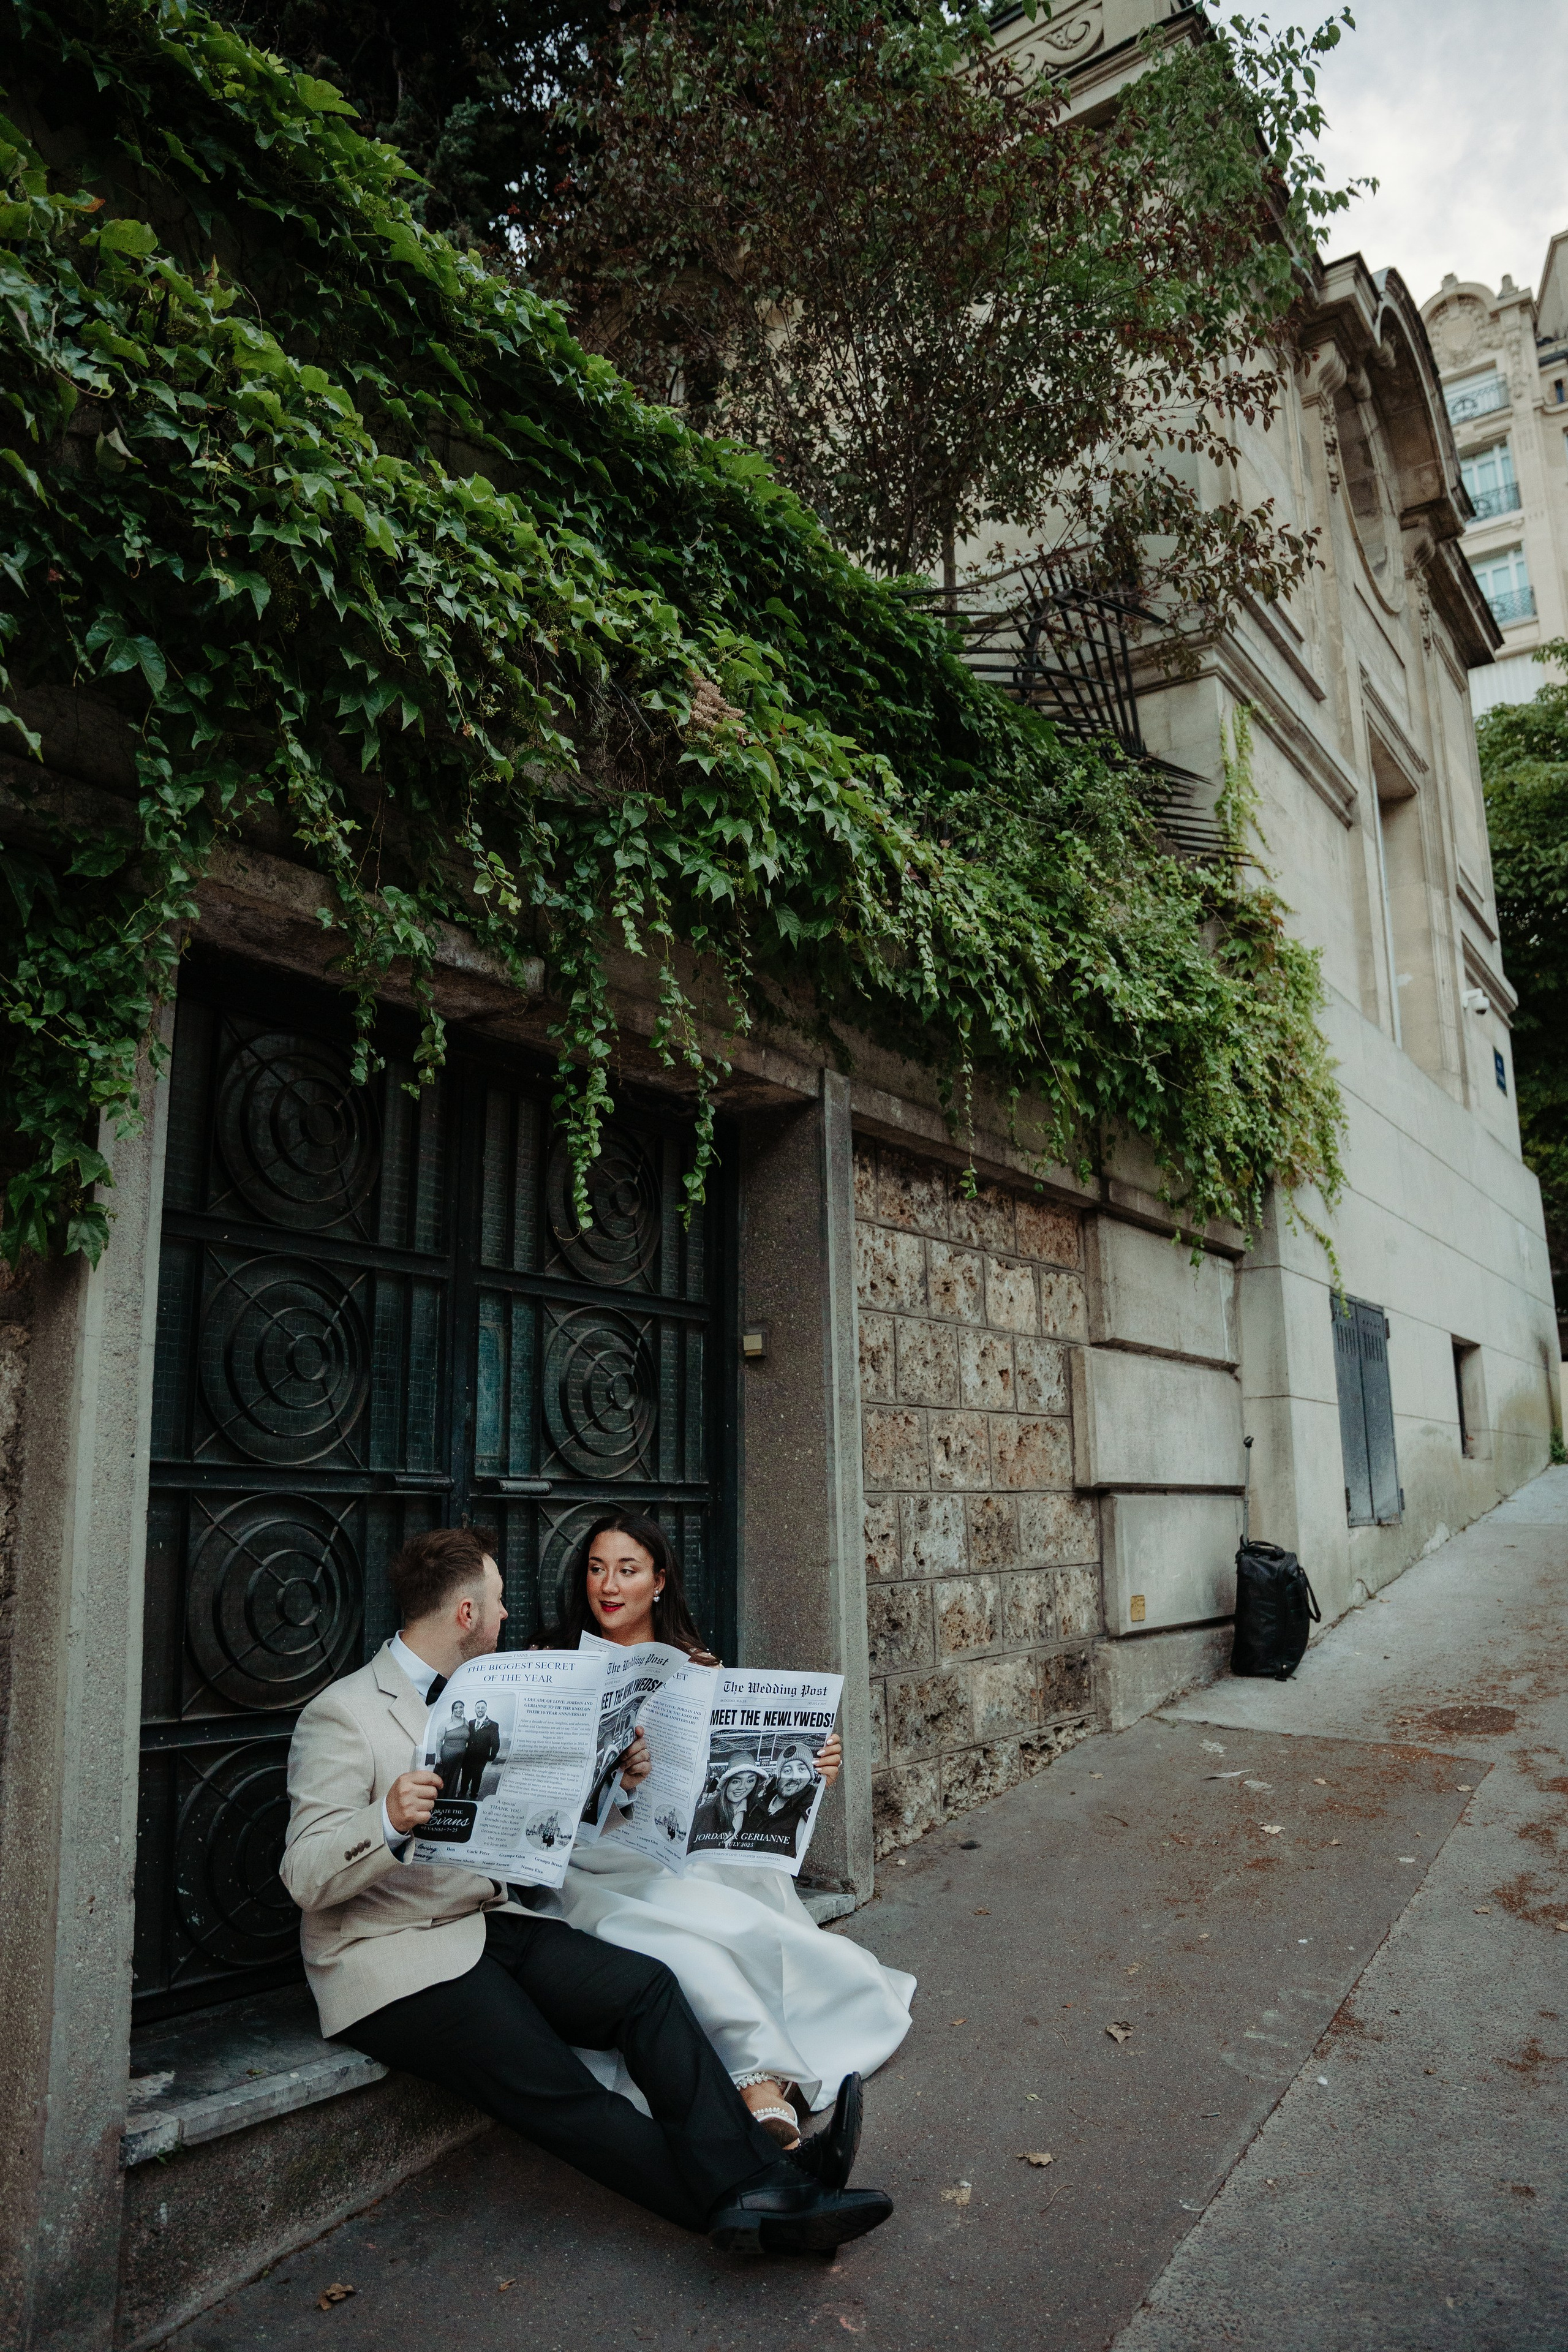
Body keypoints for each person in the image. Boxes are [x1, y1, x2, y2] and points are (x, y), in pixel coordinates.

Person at [281, 1524, 891, 2253]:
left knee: (648, 1989)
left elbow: (539, 1816)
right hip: (390, 1958)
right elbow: (305, 1875)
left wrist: (613, 1777)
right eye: (499, 1602)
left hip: (487, 1919)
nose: (510, 1615)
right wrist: (384, 1820)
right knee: (562, 2092)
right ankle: (762, 2201)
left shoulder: (492, 1688)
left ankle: (765, 2182)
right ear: (466, 1615)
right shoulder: (343, 1712)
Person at [540, 1512, 915, 2150]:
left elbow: (738, 1786)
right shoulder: (553, 1662)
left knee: (732, 1890)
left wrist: (812, 1768)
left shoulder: (700, 1668)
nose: (608, 1585)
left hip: (683, 1846)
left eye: (627, 1571)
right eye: (597, 1570)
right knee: (680, 1941)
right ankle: (760, 2085)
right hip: (593, 1856)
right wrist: (614, 1784)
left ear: (658, 1581)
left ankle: (768, 2074)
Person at [744, 1751, 820, 1856]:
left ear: (810, 1778)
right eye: (788, 1770)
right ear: (778, 1777)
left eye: (802, 1769)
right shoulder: (757, 1805)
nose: (794, 1777)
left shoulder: (808, 1812)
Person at [692, 1762, 765, 1849]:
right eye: (736, 1781)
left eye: (750, 1781)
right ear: (726, 1783)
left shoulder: (760, 1814)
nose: (742, 1787)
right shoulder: (701, 1815)